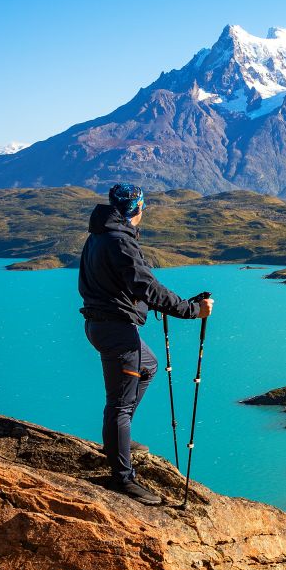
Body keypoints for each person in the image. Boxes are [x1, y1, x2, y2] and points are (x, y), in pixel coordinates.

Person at [78, 183, 213, 505]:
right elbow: (145, 285)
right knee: (120, 405)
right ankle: (122, 479)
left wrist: (172, 304)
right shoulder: (119, 241)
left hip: (104, 324)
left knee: (148, 366)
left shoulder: (99, 236)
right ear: (138, 209)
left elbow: (125, 286)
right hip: (117, 332)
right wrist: (192, 310)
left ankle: (118, 441)